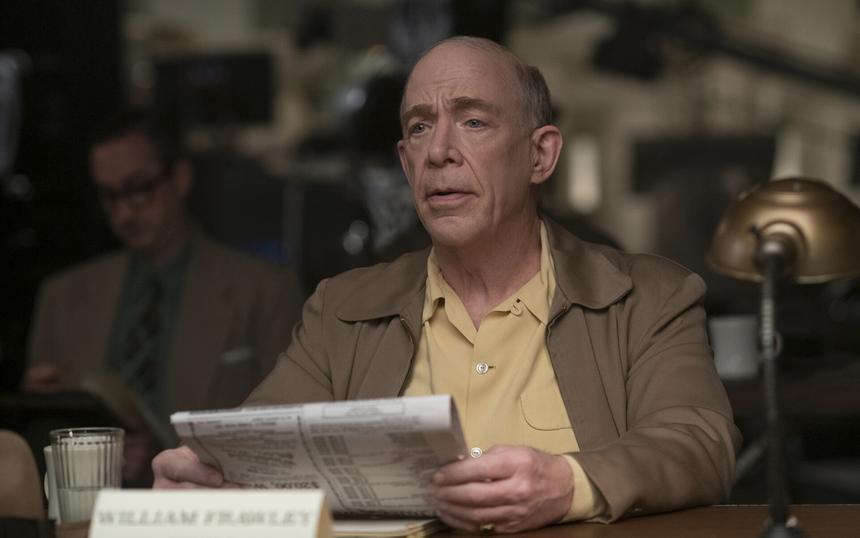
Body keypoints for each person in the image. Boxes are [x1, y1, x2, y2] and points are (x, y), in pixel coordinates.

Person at [152, 37, 740, 533]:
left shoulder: (647, 298)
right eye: (419, 128)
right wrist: (207, 481)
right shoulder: (341, 309)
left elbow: (698, 445)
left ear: (540, 155)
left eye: (473, 121)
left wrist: (566, 483)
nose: (438, 152)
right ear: (405, 162)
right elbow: (258, 455)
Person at [23, 109, 303, 479]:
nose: (124, 212)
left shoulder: (264, 289)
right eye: (109, 196)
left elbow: (288, 437)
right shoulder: (63, 297)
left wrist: (167, 456)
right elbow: (33, 450)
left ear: (180, 178)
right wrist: (42, 411)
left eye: (139, 189)